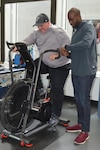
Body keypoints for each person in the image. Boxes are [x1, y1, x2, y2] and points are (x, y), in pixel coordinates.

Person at [13, 13, 71, 126]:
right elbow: (27, 41)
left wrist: (58, 53)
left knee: (56, 90)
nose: (40, 28)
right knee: (31, 68)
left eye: (42, 25)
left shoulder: (58, 32)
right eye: (38, 26)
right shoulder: (37, 33)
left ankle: (55, 115)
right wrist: (18, 46)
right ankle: (39, 89)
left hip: (60, 65)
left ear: (48, 22)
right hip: (45, 62)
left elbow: (67, 46)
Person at [60, 8, 97, 144]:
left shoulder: (88, 28)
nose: (70, 22)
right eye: (69, 19)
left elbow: (86, 44)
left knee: (84, 100)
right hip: (76, 70)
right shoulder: (75, 30)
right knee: (78, 99)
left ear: (79, 16)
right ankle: (80, 124)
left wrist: (68, 47)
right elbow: (77, 50)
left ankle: (85, 131)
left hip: (86, 71)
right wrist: (67, 54)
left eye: (72, 19)